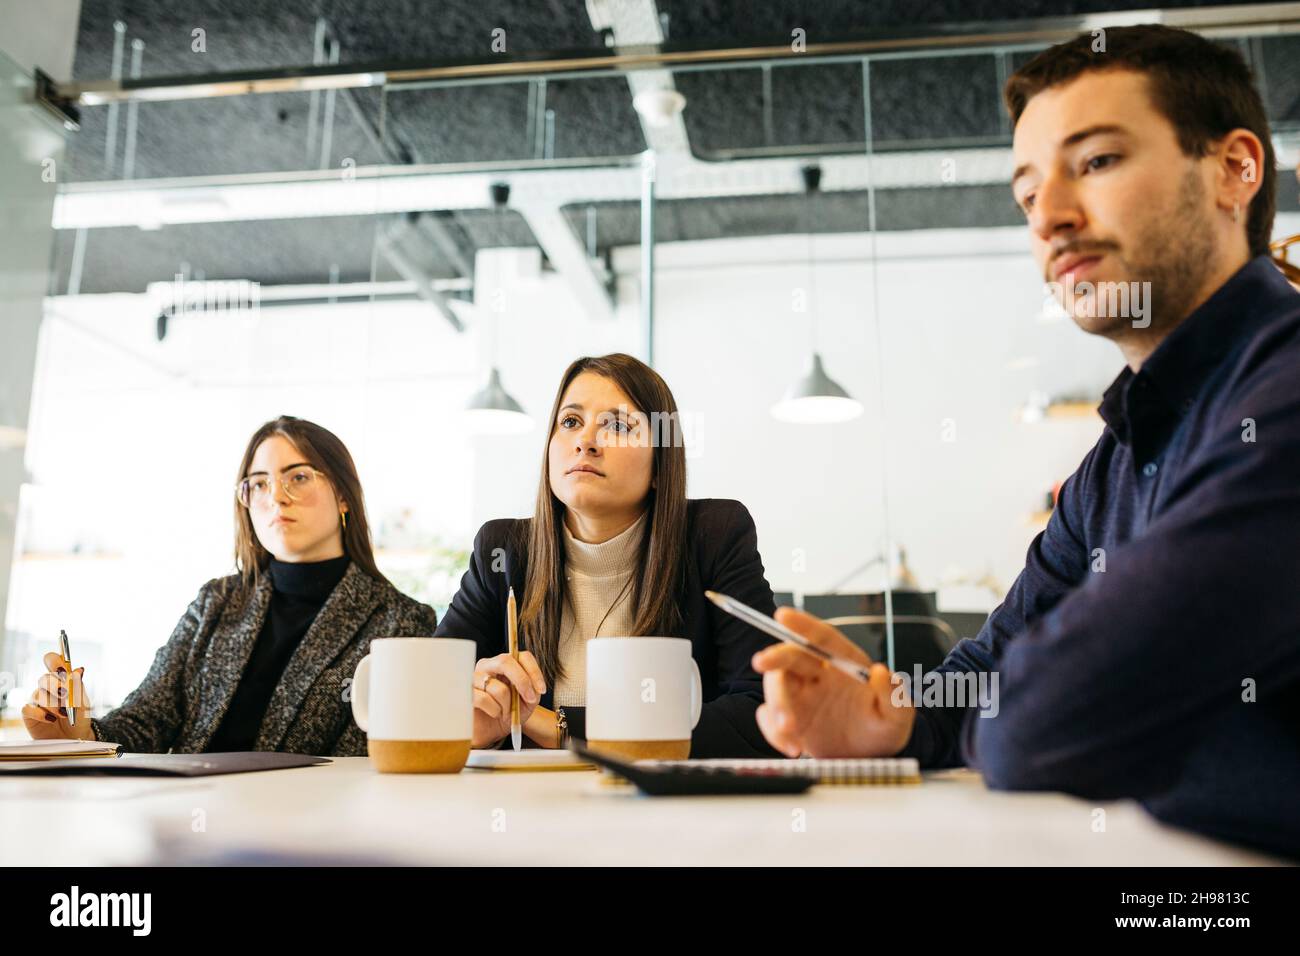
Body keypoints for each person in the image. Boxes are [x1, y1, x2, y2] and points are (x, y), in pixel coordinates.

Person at [752, 25, 1300, 858]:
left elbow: (1043, 721)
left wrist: (995, 706)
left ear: (1235, 169)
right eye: (1026, 193)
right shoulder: (1110, 466)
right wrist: (892, 716)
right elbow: (994, 667)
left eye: (1098, 161)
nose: (1050, 217)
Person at [23, 415, 436, 755]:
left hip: (312, 836)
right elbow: (146, 719)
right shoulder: (217, 602)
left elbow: (366, 762)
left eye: (299, 477)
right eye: (258, 483)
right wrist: (78, 734)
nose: (276, 497)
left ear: (344, 495)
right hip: (188, 826)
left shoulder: (401, 620)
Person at [437, 353, 780, 757]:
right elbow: (433, 701)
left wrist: (559, 727)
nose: (585, 441)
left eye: (617, 425)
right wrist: (476, 716)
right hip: (529, 809)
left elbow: (765, 716)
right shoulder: (503, 549)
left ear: (659, 464)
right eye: (570, 422)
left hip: (668, 812)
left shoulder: (713, 535)